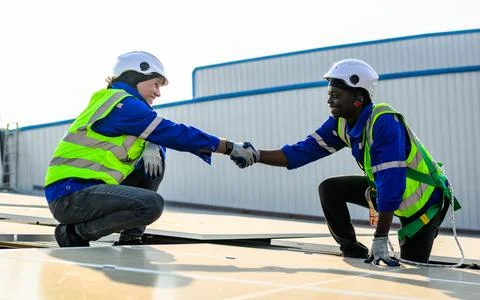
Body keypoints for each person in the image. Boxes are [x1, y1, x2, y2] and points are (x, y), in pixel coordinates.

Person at [230, 59, 460, 265]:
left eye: (335, 95)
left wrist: (380, 239)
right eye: (329, 94)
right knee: (330, 189)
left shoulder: (384, 122)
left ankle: (398, 245)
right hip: (387, 193)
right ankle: (352, 250)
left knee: (413, 269)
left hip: (423, 204)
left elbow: (392, 184)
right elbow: (299, 152)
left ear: (358, 98)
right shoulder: (340, 124)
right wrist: (257, 155)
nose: (328, 100)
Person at [45, 51, 258, 247]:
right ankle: (75, 234)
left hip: (87, 192)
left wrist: (152, 143)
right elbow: (175, 133)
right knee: (151, 205)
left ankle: (130, 239)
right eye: (155, 84)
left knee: (156, 157)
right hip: (70, 196)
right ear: (135, 77)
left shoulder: (118, 103)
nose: (158, 93)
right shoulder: (122, 104)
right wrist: (229, 147)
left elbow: (162, 135)